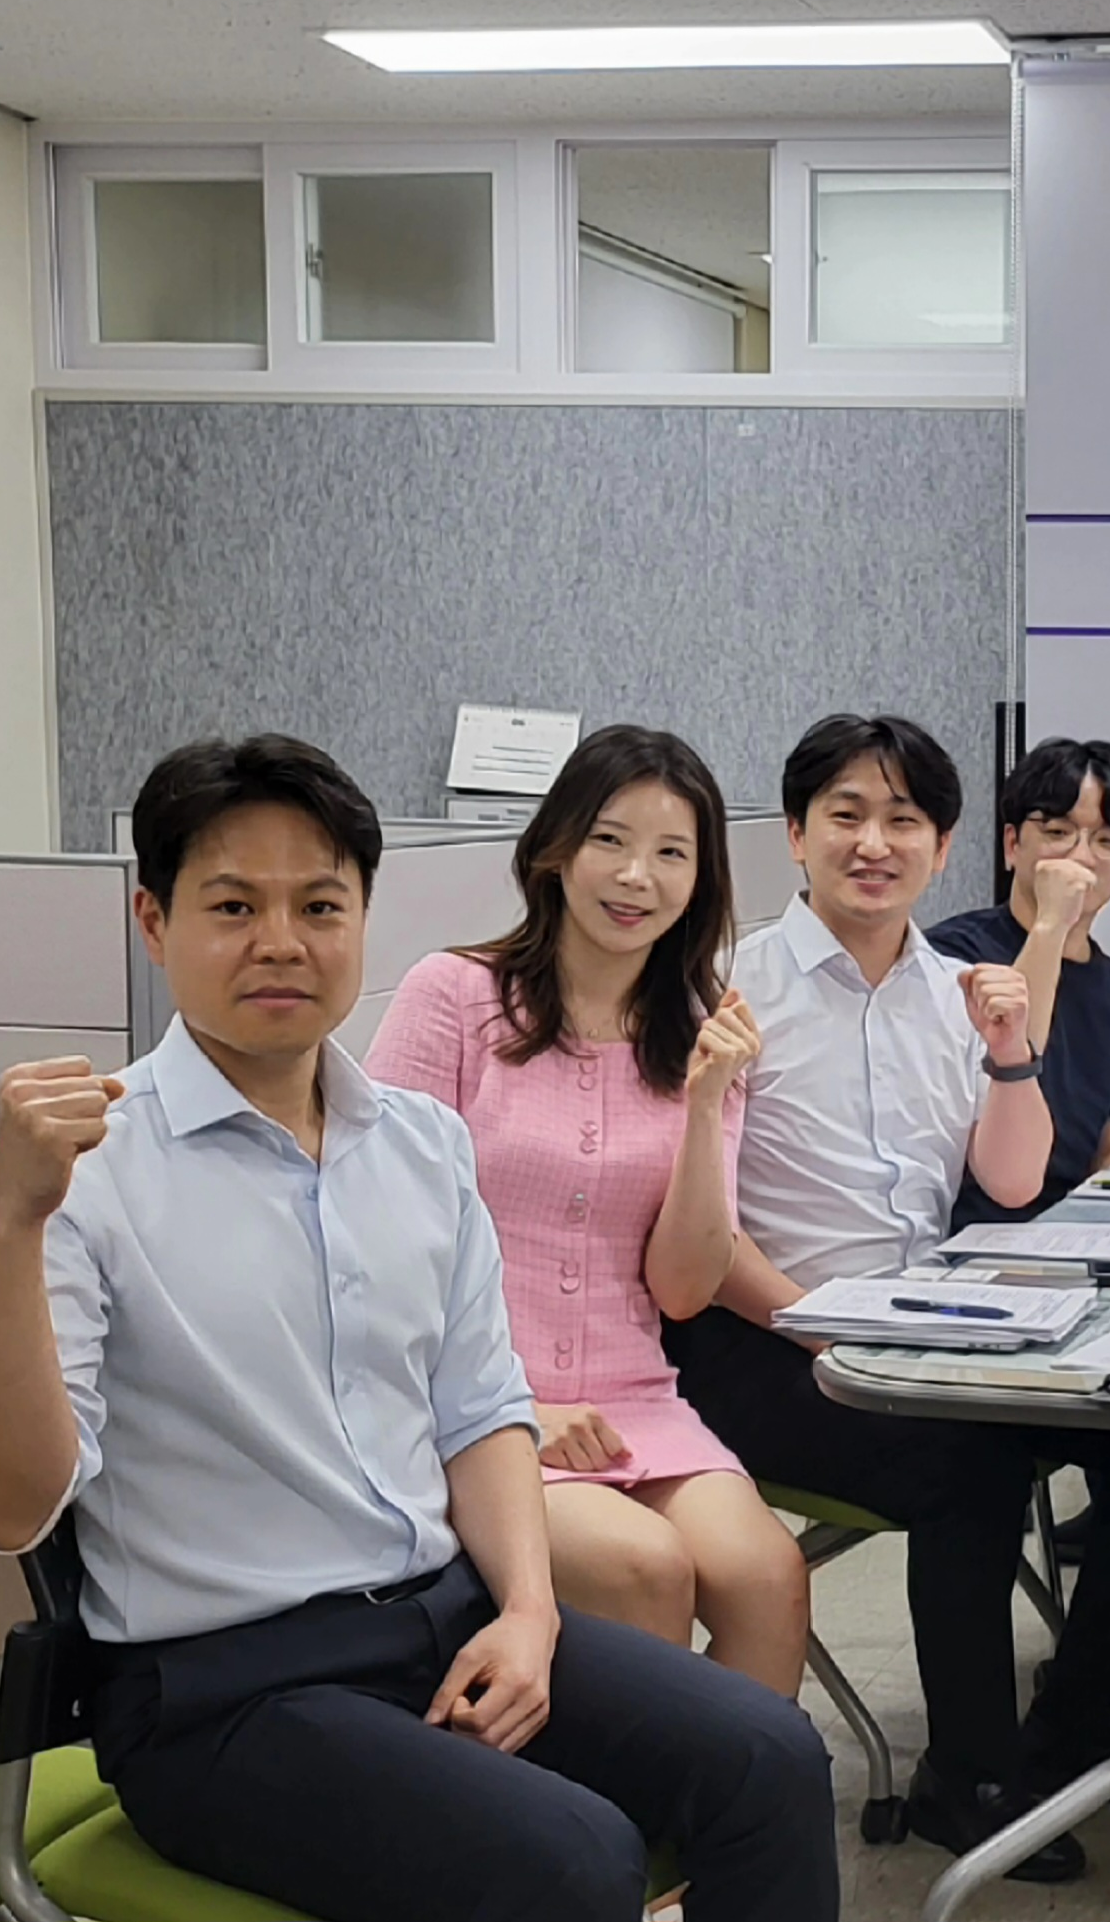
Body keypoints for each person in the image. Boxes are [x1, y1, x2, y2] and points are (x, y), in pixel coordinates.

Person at [0, 736, 834, 1922]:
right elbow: (5, 1509)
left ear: (362, 917)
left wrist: (528, 1611)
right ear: (154, 921)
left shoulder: (418, 1145)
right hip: (221, 1692)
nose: (281, 942)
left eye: (319, 905)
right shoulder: (78, 1171)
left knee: (771, 1756)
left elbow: (481, 1411)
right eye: (233, 906)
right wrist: (10, 1226)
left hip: (442, 1617)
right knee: (577, 1860)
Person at [661, 713, 1110, 1882]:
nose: (874, 843)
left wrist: (1009, 1048)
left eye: (902, 820)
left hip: (919, 1327)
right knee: (969, 1464)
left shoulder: (950, 989)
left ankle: (1070, 1714)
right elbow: (700, 1234)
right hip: (757, 1334)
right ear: (795, 834)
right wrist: (823, 1328)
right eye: (846, 816)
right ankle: (963, 1778)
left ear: (944, 843)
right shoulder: (726, 986)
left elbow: (1010, 1180)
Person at [366, 725, 810, 1697]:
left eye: (671, 852)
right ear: (555, 847)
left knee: (768, 1576)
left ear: (701, 879)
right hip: (473, 1405)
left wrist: (705, 1102)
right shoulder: (454, 996)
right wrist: (513, 1403)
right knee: (645, 1567)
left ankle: (728, 1799)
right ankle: (614, 1799)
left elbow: (683, 1289)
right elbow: (371, 1236)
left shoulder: (704, 1036)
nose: (636, 876)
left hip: (633, 1399)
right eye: (610, 839)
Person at [928, 737, 1110, 1227]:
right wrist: (1051, 925)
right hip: (964, 1232)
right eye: (1058, 832)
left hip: (1068, 1235)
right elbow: (1011, 1053)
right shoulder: (949, 958)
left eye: (1108, 842)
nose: (1083, 857)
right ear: (1012, 844)